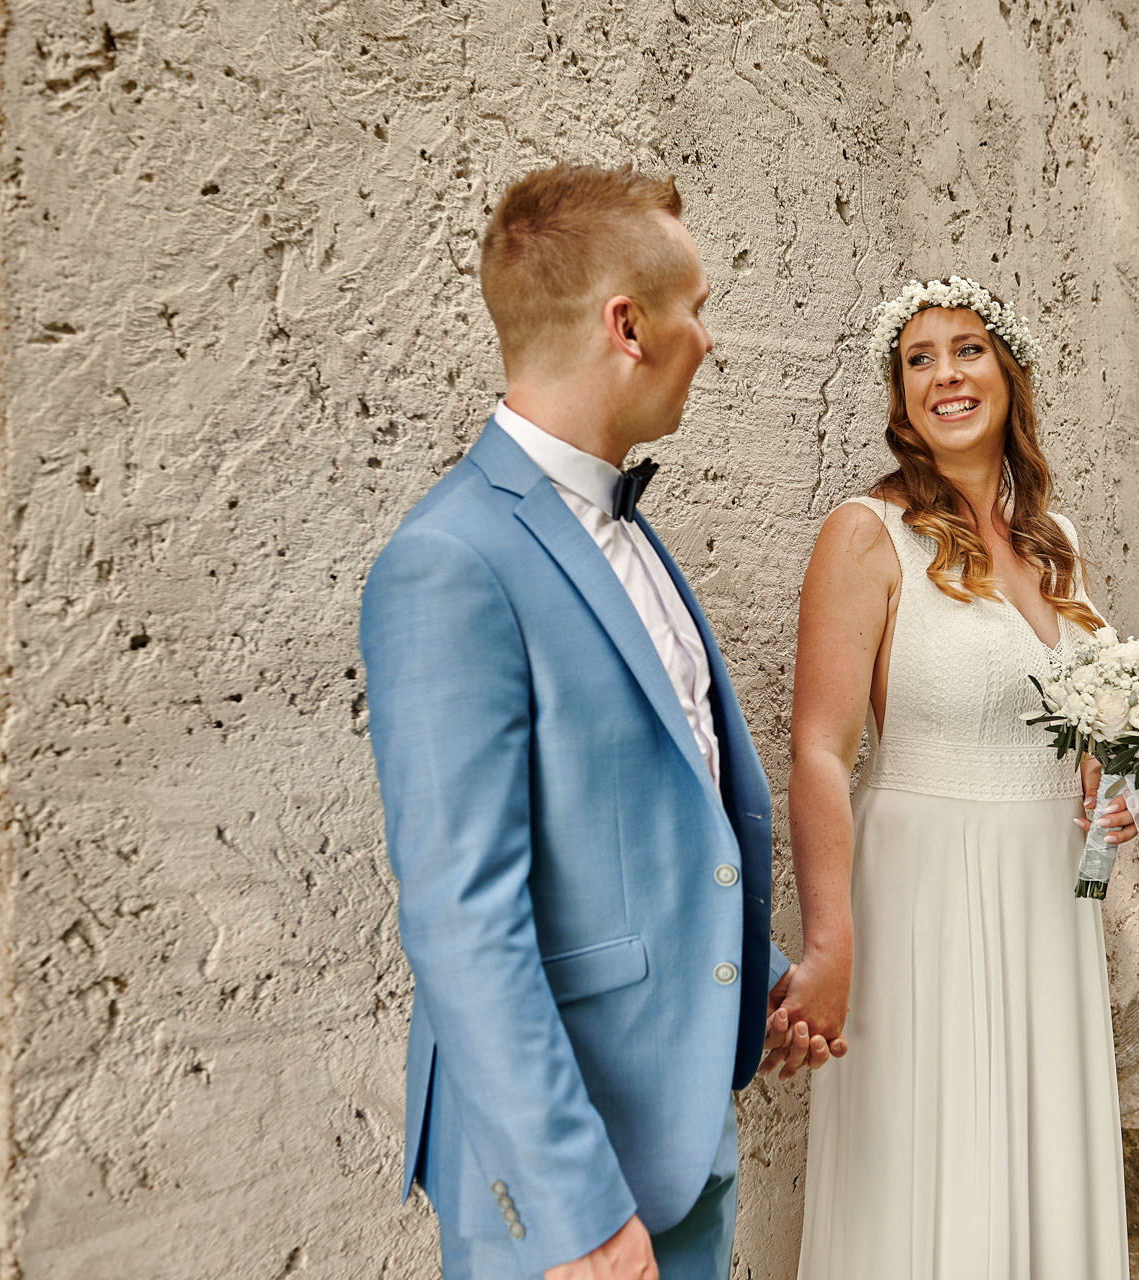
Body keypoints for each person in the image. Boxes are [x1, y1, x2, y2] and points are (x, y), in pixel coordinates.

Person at [359, 163, 836, 1280]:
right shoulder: (448, 563)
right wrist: (574, 1206)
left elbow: (643, 816)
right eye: (698, 308)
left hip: (681, 1132)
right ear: (628, 324)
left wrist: (750, 975)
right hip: (572, 1188)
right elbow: (463, 917)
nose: (709, 340)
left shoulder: (621, 525)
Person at [779, 277, 1137, 1278]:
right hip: (925, 887)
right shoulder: (867, 532)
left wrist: (1115, 798)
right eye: (919, 357)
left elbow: (1086, 734)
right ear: (900, 399)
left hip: (1049, 893)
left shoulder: (1055, 545)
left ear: (1008, 372)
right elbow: (818, 746)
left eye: (967, 347)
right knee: (933, 1146)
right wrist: (828, 938)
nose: (946, 373)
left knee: (1037, 1143)